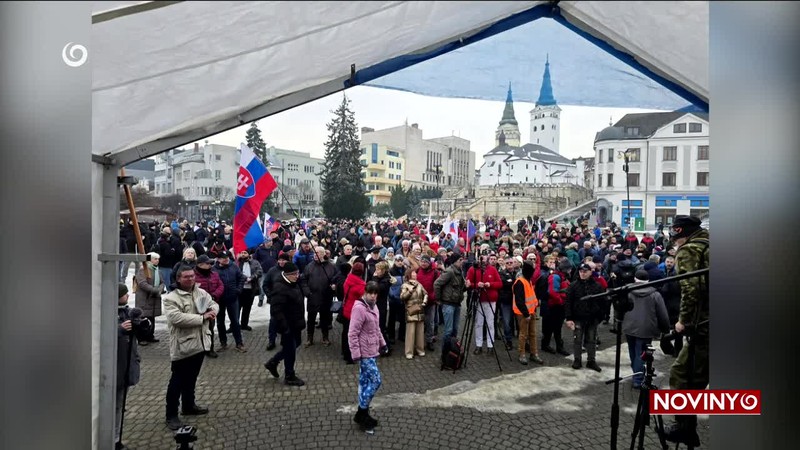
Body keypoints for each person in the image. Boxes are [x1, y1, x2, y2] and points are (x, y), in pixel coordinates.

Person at [664, 215, 710, 446]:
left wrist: (683, 321)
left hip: (705, 326)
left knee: (682, 375)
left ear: (680, 234)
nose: (674, 244)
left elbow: (691, 290)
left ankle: (684, 427)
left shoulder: (690, 251)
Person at [162, 265, 218, 431]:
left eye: (192, 276)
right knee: (177, 382)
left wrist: (213, 310)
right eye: (186, 277)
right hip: (183, 345)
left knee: (192, 378)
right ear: (178, 278)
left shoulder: (200, 292)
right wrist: (202, 318)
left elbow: (213, 303)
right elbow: (177, 318)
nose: (190, 279)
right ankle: (171, 414)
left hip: (200, 343)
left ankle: (188, 405)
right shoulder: (171, 298)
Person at [349, 281, 387, 431]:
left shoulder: (374, 306)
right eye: (370, 292)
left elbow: (376, 328)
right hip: (364, 353)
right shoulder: (359, 308)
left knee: (365, 382)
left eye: (375, 293)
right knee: (376, 381)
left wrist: (382, 344)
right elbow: (352, 333)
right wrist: (356, 354)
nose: (373, 296)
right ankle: (362, 410)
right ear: (365, 292)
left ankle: (363, 414)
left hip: (372, 350)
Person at [622, 270, 670, 388]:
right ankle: (638, 379)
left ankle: (636, 374)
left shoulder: (627, 291)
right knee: (641, 354)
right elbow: (662, 314)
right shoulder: (655, 294)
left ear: (635, 279)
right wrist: (665, 328)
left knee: (633, 352)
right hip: (646, 328)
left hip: (629, 326)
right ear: (648, 281)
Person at [263, 262, 307, 386]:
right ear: (287, 275)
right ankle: (289, 375)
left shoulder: (294, 283)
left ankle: (273, 362)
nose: (297, 276)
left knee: (296, 344)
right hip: (287, 325)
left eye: (298, 273)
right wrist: (285, 327)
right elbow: (276, 310)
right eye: (295, 274)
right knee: (291, 349)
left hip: (296, 322)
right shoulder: (280, 288)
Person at [116, 284, 143, 450]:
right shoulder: (106, 312)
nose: (128, 296)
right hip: (116, 367)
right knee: (114, 406)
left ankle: (116, 438)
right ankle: (111, 439)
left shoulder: (126, 311)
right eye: (125, 294)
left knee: (119, 406)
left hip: (126, 363)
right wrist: (119, 329)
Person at [564, 263, 605, 372]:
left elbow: (603, 302)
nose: (582, 273)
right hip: (578, 317)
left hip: (592, 318)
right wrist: (568, 318)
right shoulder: (573, 286)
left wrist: (600, 316)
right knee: (577, 339)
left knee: (591, 340)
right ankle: (577, 359)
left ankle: (591, 360)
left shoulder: (597, 286)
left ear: (590, 272)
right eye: (581, 271)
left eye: (585, 271)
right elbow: (568, 302)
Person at [303, 246, 340, 347]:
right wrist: (307, 293)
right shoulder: (309, 266)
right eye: (314, 253)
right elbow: (303, 280)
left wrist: (334, 286)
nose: (315, 255)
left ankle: (325, 337)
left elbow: (337, 279)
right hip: (312, 297)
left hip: (326, 297)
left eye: (318, 253)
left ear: (324, 254)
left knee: (324, 319)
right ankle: (309, 338)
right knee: (311, 319)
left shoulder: (331, 266)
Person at [465, 255, 502, 355]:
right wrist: (477, 285)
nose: (483, 262)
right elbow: (468, 283)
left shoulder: (493, 269)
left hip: (491, 299)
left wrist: (490, 284)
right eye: (481, 260)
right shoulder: (473, 269)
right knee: (478, 323)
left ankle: (490, 346)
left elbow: (499, 283)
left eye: (485, 259)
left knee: (490, 323)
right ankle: (479, 345)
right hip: (478, 299)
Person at [214, 253, 247, 352]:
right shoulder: (213, 269)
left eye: (227, 258)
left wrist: (238, 290)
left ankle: (239, 343)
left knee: (235, 322)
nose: (226, 260)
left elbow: (242, 278)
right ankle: (223, 342)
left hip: (233, 297)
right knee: (220, 322)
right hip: (219, 299)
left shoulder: (234, 266)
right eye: (223, 258)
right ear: (218, 259)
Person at [434, 253, 470, 342]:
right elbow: (437, 284)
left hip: (457, 303)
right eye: (460, 260)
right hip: (448, 304)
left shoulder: (460, 271)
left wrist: (466, 286)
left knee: (455, 330)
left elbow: (460, 289)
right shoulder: (449, 271)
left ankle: (452, 352)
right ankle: (445, 352)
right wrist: (438, 299)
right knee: (448, 331)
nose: (462, 262)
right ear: (454, 261)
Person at [193, 255, 223, 358]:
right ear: (200, 265)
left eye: (210, 263)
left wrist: (214, 295)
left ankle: (210, 348)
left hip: (211, 305)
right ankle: (198, 349)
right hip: (197, 307)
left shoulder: (214, 274)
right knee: (197, 328)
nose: (210, 265)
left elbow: (220, 285)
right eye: (207, 263)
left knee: (210, 328)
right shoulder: (193, 276)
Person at [513, 261, 543, 365]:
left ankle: (533, 353)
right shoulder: (520, 282)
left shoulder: (527, 280)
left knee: (532, 334)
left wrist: (532, 311)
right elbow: (519, 300)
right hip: (523, 313)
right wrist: (526, 314)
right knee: (523, 334)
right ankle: (522, 354)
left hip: (530, 312)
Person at [541, 257, 571, 356]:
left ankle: (556, 346)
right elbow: (553, 292)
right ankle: (548, 346)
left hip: (557, 305)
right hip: (554, 306)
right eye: (569, 269)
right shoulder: (556, 277)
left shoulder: (560, 276)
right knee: (552, 327)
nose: (570, 270)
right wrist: (561, 302)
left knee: (556, 327)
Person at [135, 253, 165, 345]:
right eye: (155, 259)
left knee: (151, 317)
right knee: (143, 317)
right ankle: (142, 338)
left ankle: (150, 335)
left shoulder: (157, 270)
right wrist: (154, 290)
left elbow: (162, 282)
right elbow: (142, 283)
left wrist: (159, 289)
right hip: (145, 297)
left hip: (154, 298)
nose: (157, 261)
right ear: (149, 260)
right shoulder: (143, 269)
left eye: (158, 259)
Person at [264, 253, 291, 351]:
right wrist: (270, 295)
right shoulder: (272, 271)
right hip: (275, 301)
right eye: (280, 260)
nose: (282, 262)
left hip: (287, 301)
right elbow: (265, 285)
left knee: (286, 320)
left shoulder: (291, 270)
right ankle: (272, 340)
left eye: (284, 260)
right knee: (273, 321)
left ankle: (285, 340)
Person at [341, 262, 367, 364]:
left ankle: (344, 352)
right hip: (355, 312)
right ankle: (350, 356)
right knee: (353, 334)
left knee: (345, 332)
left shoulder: (348, 279)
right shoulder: (361, 284)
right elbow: (364, 298)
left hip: (346, 308)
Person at [399, 268, 427, 359]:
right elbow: (402, 297)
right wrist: (410, 291)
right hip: (411, 310)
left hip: (420, 310)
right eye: (414, 273)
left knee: (420, 331)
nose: (415, 274)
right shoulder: (405, 285)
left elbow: (425, 294)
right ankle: (409, 351)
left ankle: (420, 349)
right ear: (409, 274)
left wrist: (424, 302)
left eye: (415, 273)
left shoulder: (419, 284)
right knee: (410, 332)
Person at [236, 250, 263, 331]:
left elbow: (259, 272)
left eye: (245, 253)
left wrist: (252, 277)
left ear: (248, 254)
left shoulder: (255, 262)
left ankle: (244, 324)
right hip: (240, 289)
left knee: (247, 308)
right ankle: (234, 324)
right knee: (237, 308)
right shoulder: (237, 263)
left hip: (250, 288)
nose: (243, 254)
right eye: (242, 253)